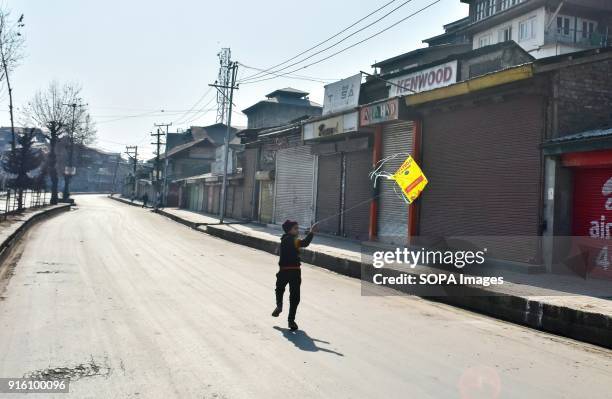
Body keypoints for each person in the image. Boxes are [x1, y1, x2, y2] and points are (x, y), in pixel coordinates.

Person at [272, 219, 318, 331]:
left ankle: (279, 305)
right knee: (295, 296)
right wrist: (312, 233)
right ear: (289, 230)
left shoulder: (284, 240)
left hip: (283, 271)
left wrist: (308, 233)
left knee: (279, 289)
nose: (298, 230)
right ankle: (291, 320)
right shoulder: (293, 240)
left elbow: (298, 242)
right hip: (295, 271)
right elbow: (304, 243)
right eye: (295, 228)